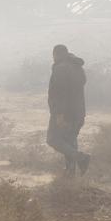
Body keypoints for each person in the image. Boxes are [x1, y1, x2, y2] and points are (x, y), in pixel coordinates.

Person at [47, 44, 90, 177]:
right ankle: (70, 173)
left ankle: (81, 158)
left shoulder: (60, 69)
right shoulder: (77, 67)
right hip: (78, 113)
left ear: (56, 54)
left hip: (64, 114)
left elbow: (60, 93)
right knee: (70, 140)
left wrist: (59, 114)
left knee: (53, 139)